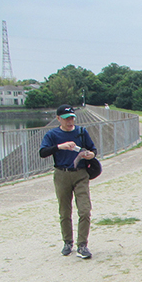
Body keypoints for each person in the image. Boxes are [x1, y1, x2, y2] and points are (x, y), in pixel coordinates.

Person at [39, 104, 97, 258]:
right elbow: (43, 152)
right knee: (65, 211)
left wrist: (91, 154)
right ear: (58, 119)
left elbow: (93, 149)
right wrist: (59, 147)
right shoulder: (52, 135)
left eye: (72, 118)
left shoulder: (81, 132)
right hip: (62, 175)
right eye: (66, 118)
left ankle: (82, 245)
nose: (70, 121)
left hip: (81, 174)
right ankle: (67, 242)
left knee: (84, 210)